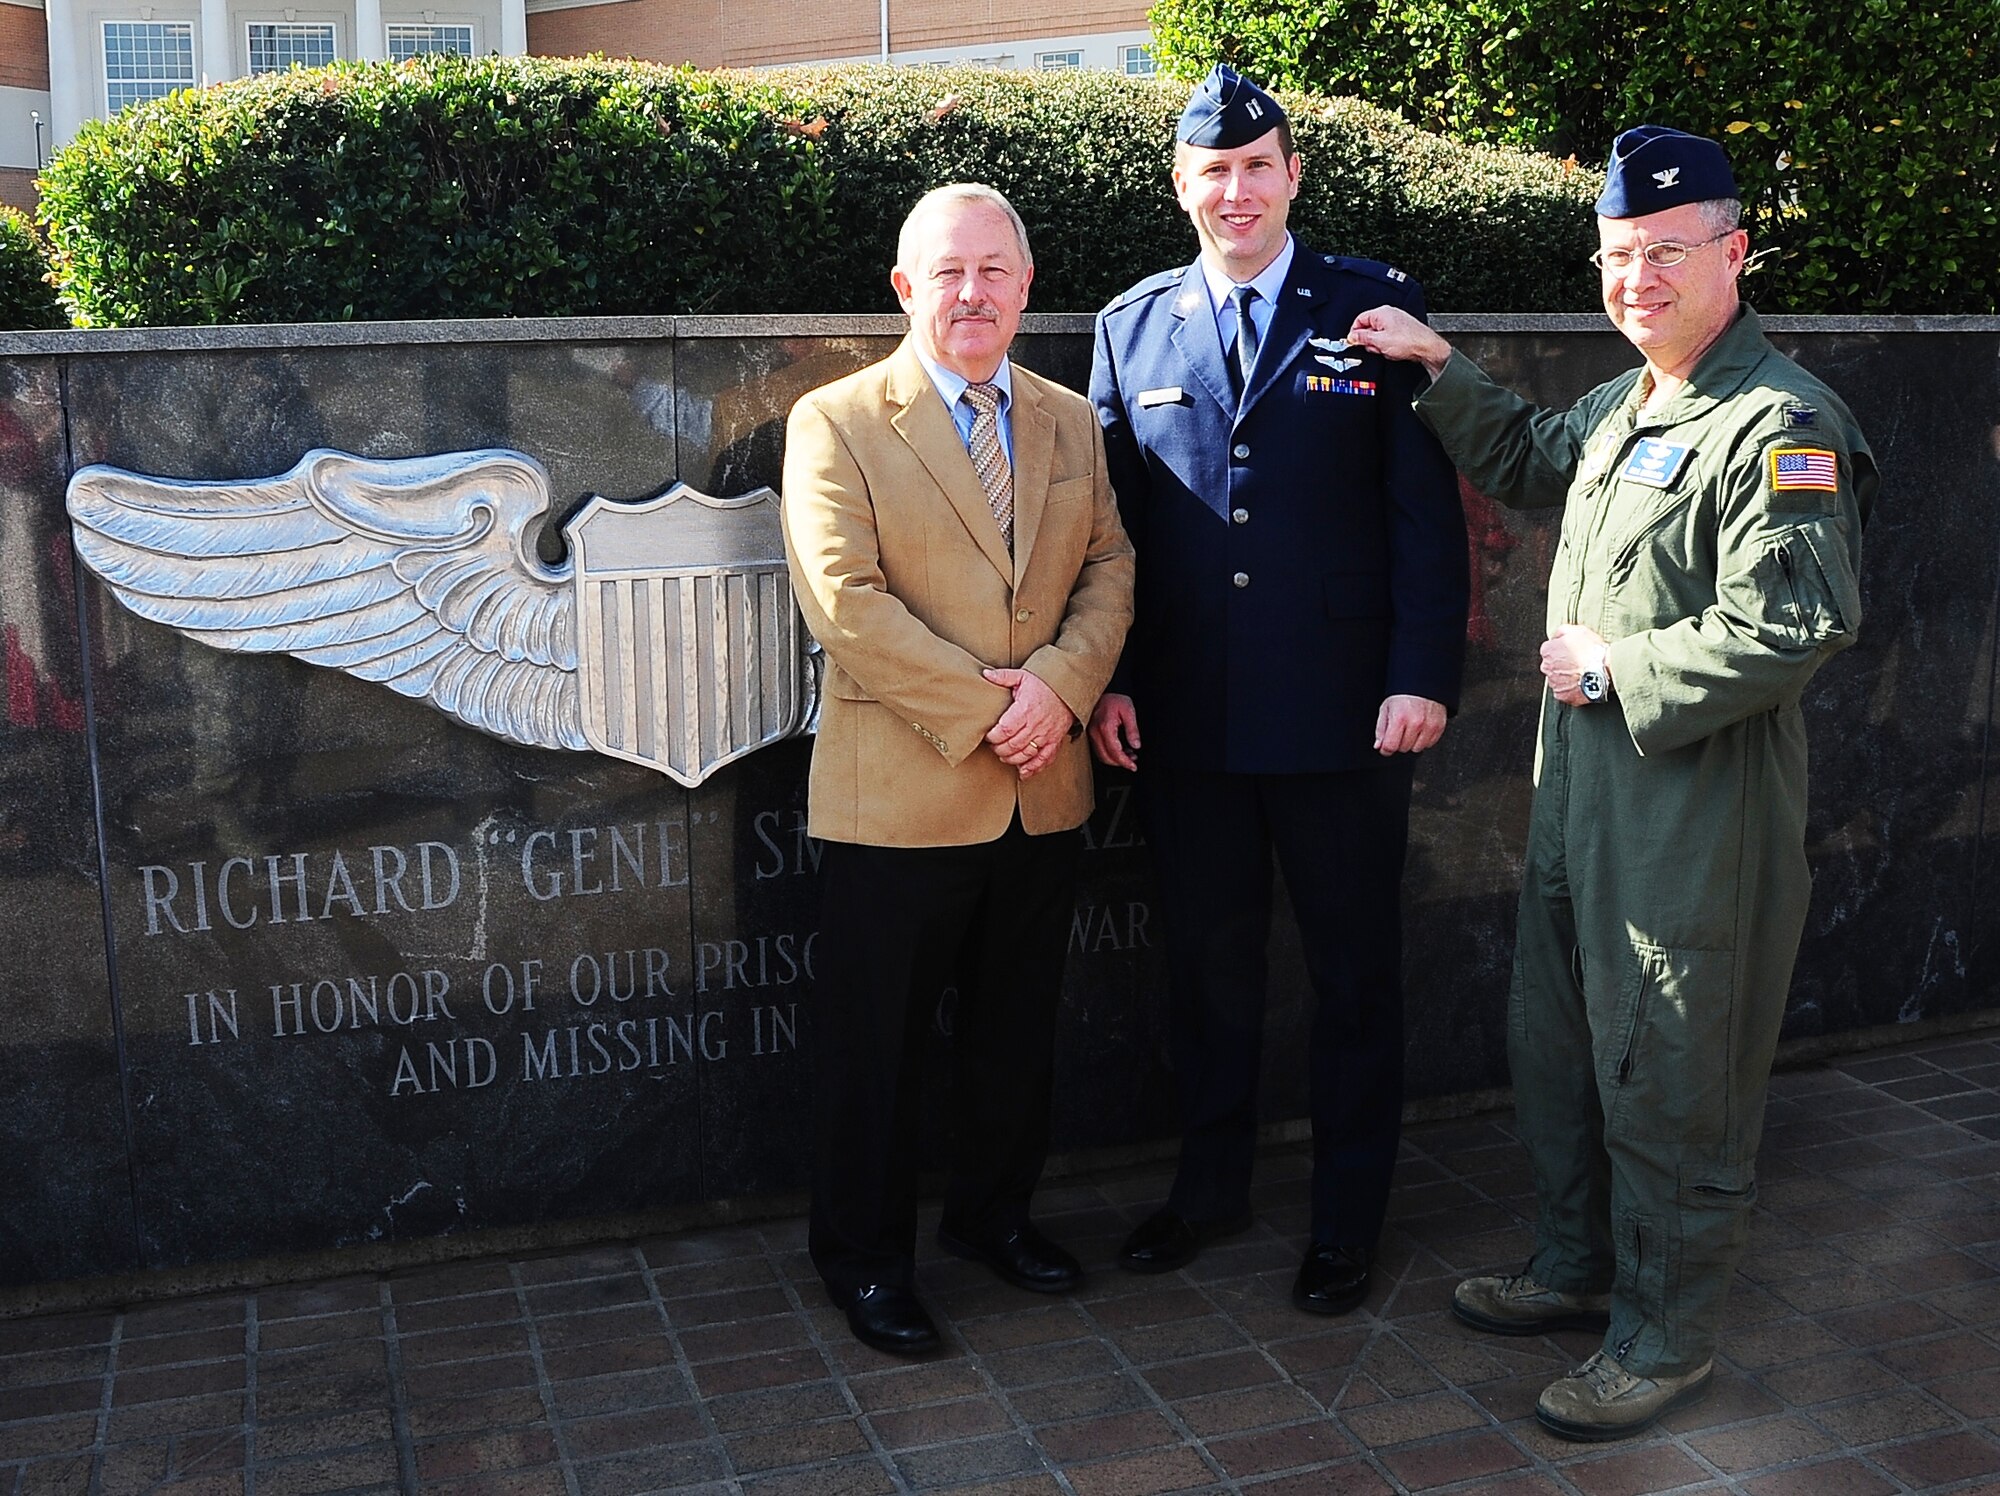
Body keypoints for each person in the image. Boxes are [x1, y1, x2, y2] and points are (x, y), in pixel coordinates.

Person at [1347, 125, 1875, 1440]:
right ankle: (1579, 1268)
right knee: (1563, 1043)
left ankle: (1665, 1333)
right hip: (1585, 801)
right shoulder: (1634, 398)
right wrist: (1437, 364)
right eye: (1617, 254)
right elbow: (1531, 456)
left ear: (1734, 254)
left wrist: (1618, 667)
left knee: (1670, 1063)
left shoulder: (1780, 422)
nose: (1638, 276)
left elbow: (1796, 621)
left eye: (1666, 251)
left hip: (1692, 815)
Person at [1087, 65, 1469, 1316]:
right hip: (1187, 721)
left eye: (1259, 166)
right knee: (1206, 968)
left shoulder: (1371, 307)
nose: (1236, 189)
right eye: (1214, 171)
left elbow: (1423, 516)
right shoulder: (1129, 324)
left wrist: (1419, 674)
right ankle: (1208, 1188)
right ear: (1182, 185)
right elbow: (1108, 535)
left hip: (1344, 712)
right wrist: (1116, 679)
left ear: (1293, 174)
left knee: (1353, 972)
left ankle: (1346, 1218)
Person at [781, 183, 1134, 1355]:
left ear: (1027, 289)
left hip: (1043, 791)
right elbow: (846, 603)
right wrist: (994, 712)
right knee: (871, 1055)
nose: (971, 291)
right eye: (947, 272)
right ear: (904, 288)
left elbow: (1109, 566)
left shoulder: (1068, 419)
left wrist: (1062, 690)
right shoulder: (835, 421)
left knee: (1011, 1035)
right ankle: (867, 1263)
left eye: (994, 270)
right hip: (900, 797)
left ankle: (993, 1219)